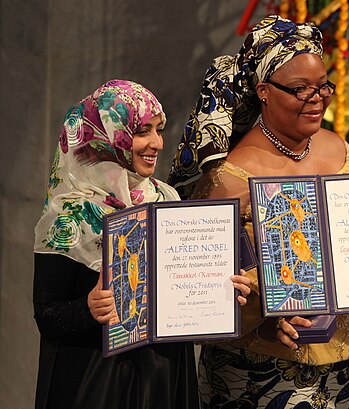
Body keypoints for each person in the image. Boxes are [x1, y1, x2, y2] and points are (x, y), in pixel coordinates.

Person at [168, 15, 349, 409]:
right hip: (255, 368)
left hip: (339, 365)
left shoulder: (341, 151)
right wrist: (266, 314)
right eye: (300, 89)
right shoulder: (232, 174)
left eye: (323, 87)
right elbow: (198, 282)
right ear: (264, 91)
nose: (316, 98)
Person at [33, 79, 251, 409]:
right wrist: (88, 310)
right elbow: (47, 314)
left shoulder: (166, 198)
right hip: (95, 382)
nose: (157, 143)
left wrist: (219, 291)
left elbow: (179, 296)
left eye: (158, 130)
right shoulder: (68, 216)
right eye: (142, 131)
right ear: (107, 135)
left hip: (164, 376)